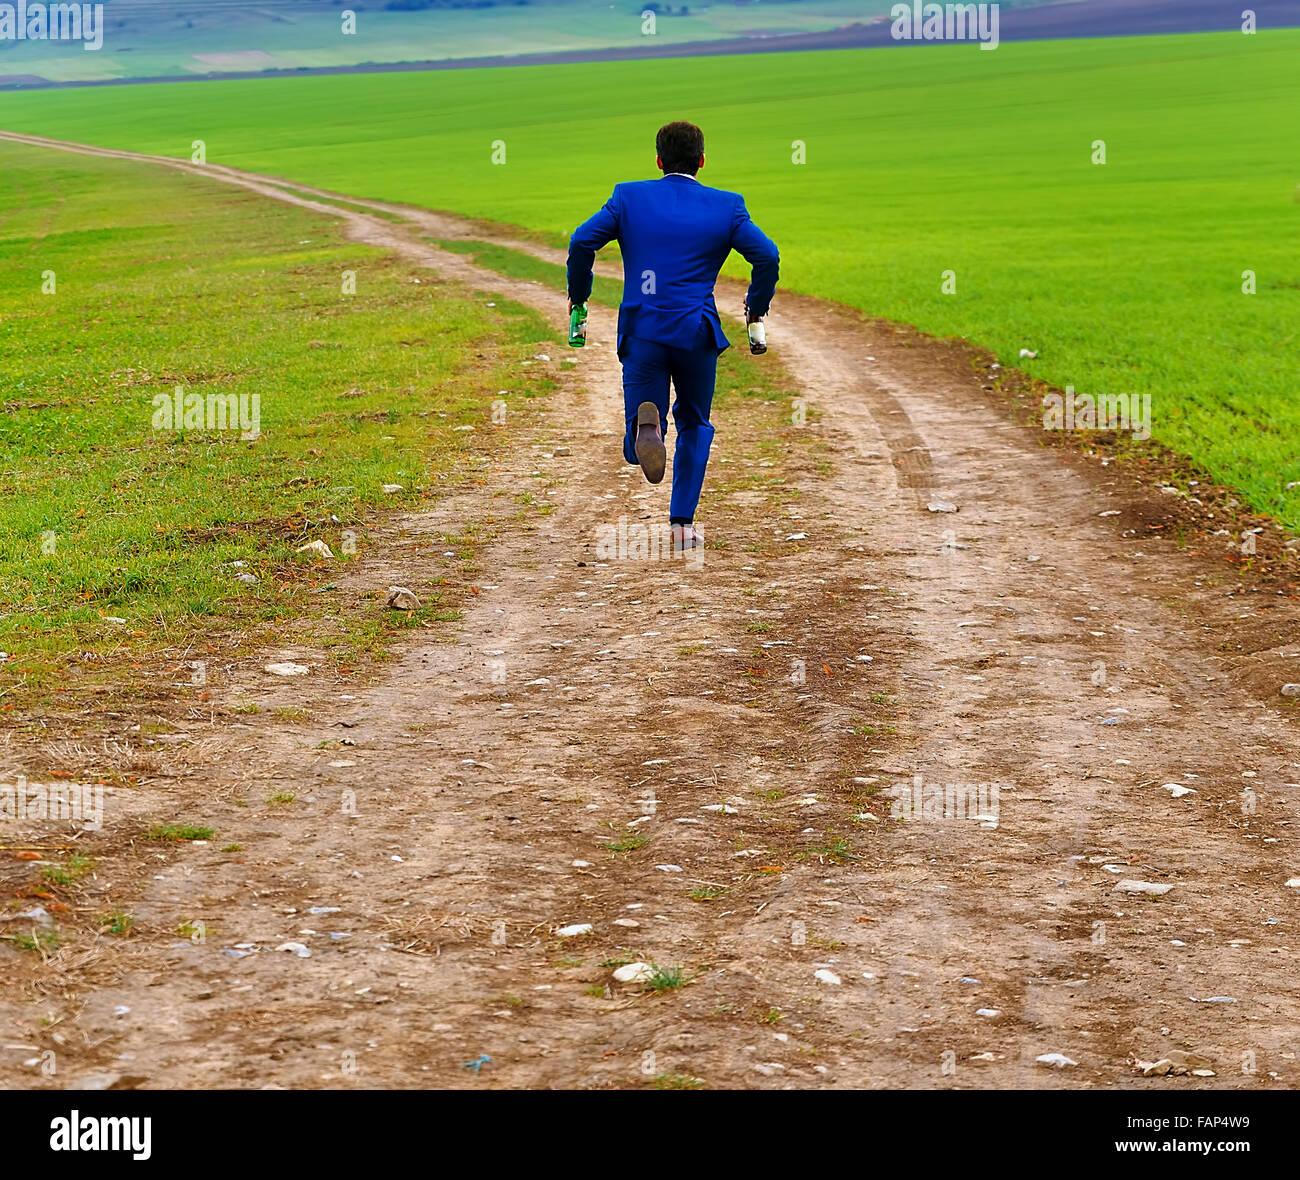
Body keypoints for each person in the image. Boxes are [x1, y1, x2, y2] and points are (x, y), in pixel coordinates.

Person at [567, 120, 780, 550]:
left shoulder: (628, 197)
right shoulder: (728, 206)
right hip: (696, 332)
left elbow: (581, 242)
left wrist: (580, 299)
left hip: (643, 329)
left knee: (640, 436)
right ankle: (682, 525)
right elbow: (768, 255)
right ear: (702, 161)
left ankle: (646, 431)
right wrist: (755, 308)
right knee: (696, 423)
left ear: (658, 160)